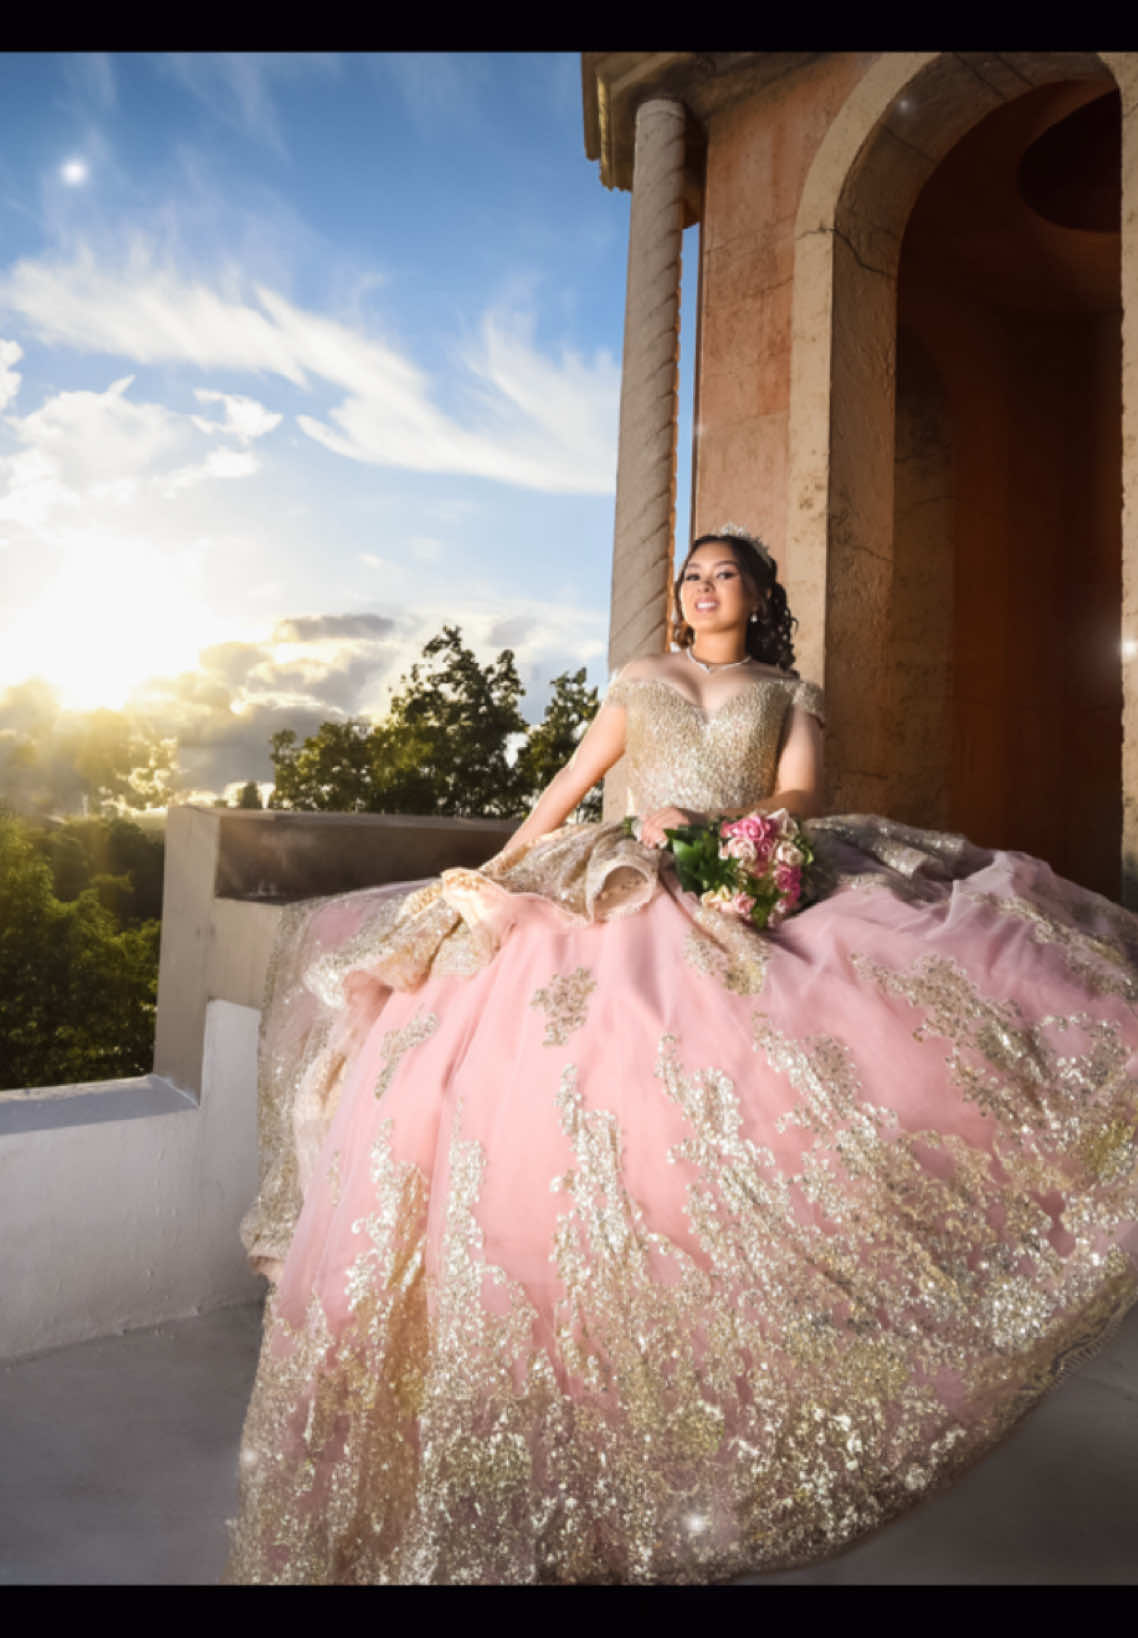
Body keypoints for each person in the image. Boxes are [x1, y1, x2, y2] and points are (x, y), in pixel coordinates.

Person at [224, 526, 1138, 1585]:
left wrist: (729, 827)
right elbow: (571, 782)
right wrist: (493, 870)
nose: (705, 588)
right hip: (620, 872)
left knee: (909, 987)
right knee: (583, 1058)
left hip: (731, 855)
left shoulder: (788, 689)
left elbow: (798, 792)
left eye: (725, 574)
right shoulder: (641, 679)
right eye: (691, 576)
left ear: (756, 593)